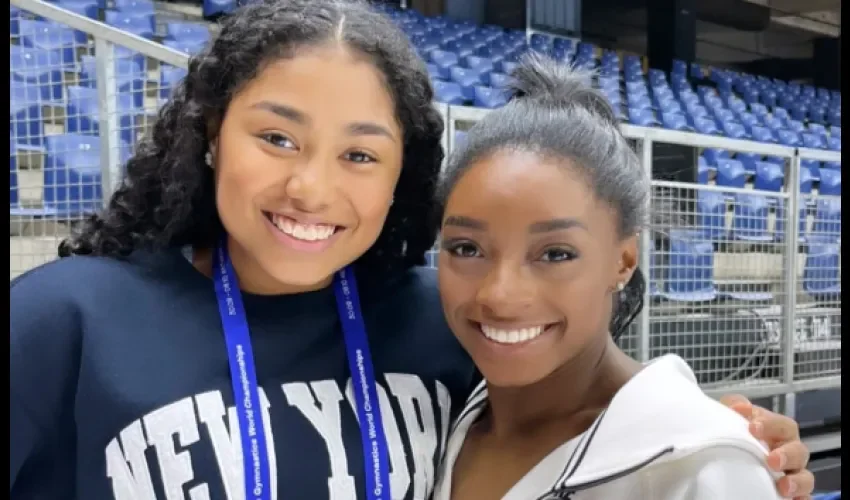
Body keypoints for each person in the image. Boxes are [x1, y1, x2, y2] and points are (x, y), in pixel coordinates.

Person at [9, 1, 813, 499]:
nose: (311, 189)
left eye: (360, 155)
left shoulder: (442, 315)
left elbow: (591, 408)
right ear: (211, 134)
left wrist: (728, 445)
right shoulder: (59, 320)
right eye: (277, 137)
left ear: (402, 177)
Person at [431, 55, 796, 500]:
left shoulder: (700, 465)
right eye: (466, 248)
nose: (500, 295)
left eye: (555, 253)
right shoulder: (437, 424)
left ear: (623, 261)